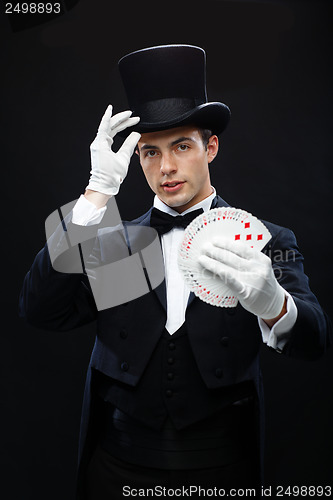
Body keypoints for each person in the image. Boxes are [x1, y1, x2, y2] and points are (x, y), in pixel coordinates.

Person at [19, 45, 332, 500]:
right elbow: (40, 310)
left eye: (182, 146)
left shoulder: (263, 239)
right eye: (149, 152)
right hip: (116, 471)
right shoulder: (113, 243)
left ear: (212, 147)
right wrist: (95, 195)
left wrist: (275, 305)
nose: (165, 168)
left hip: (223, 471)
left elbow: (315, 341)